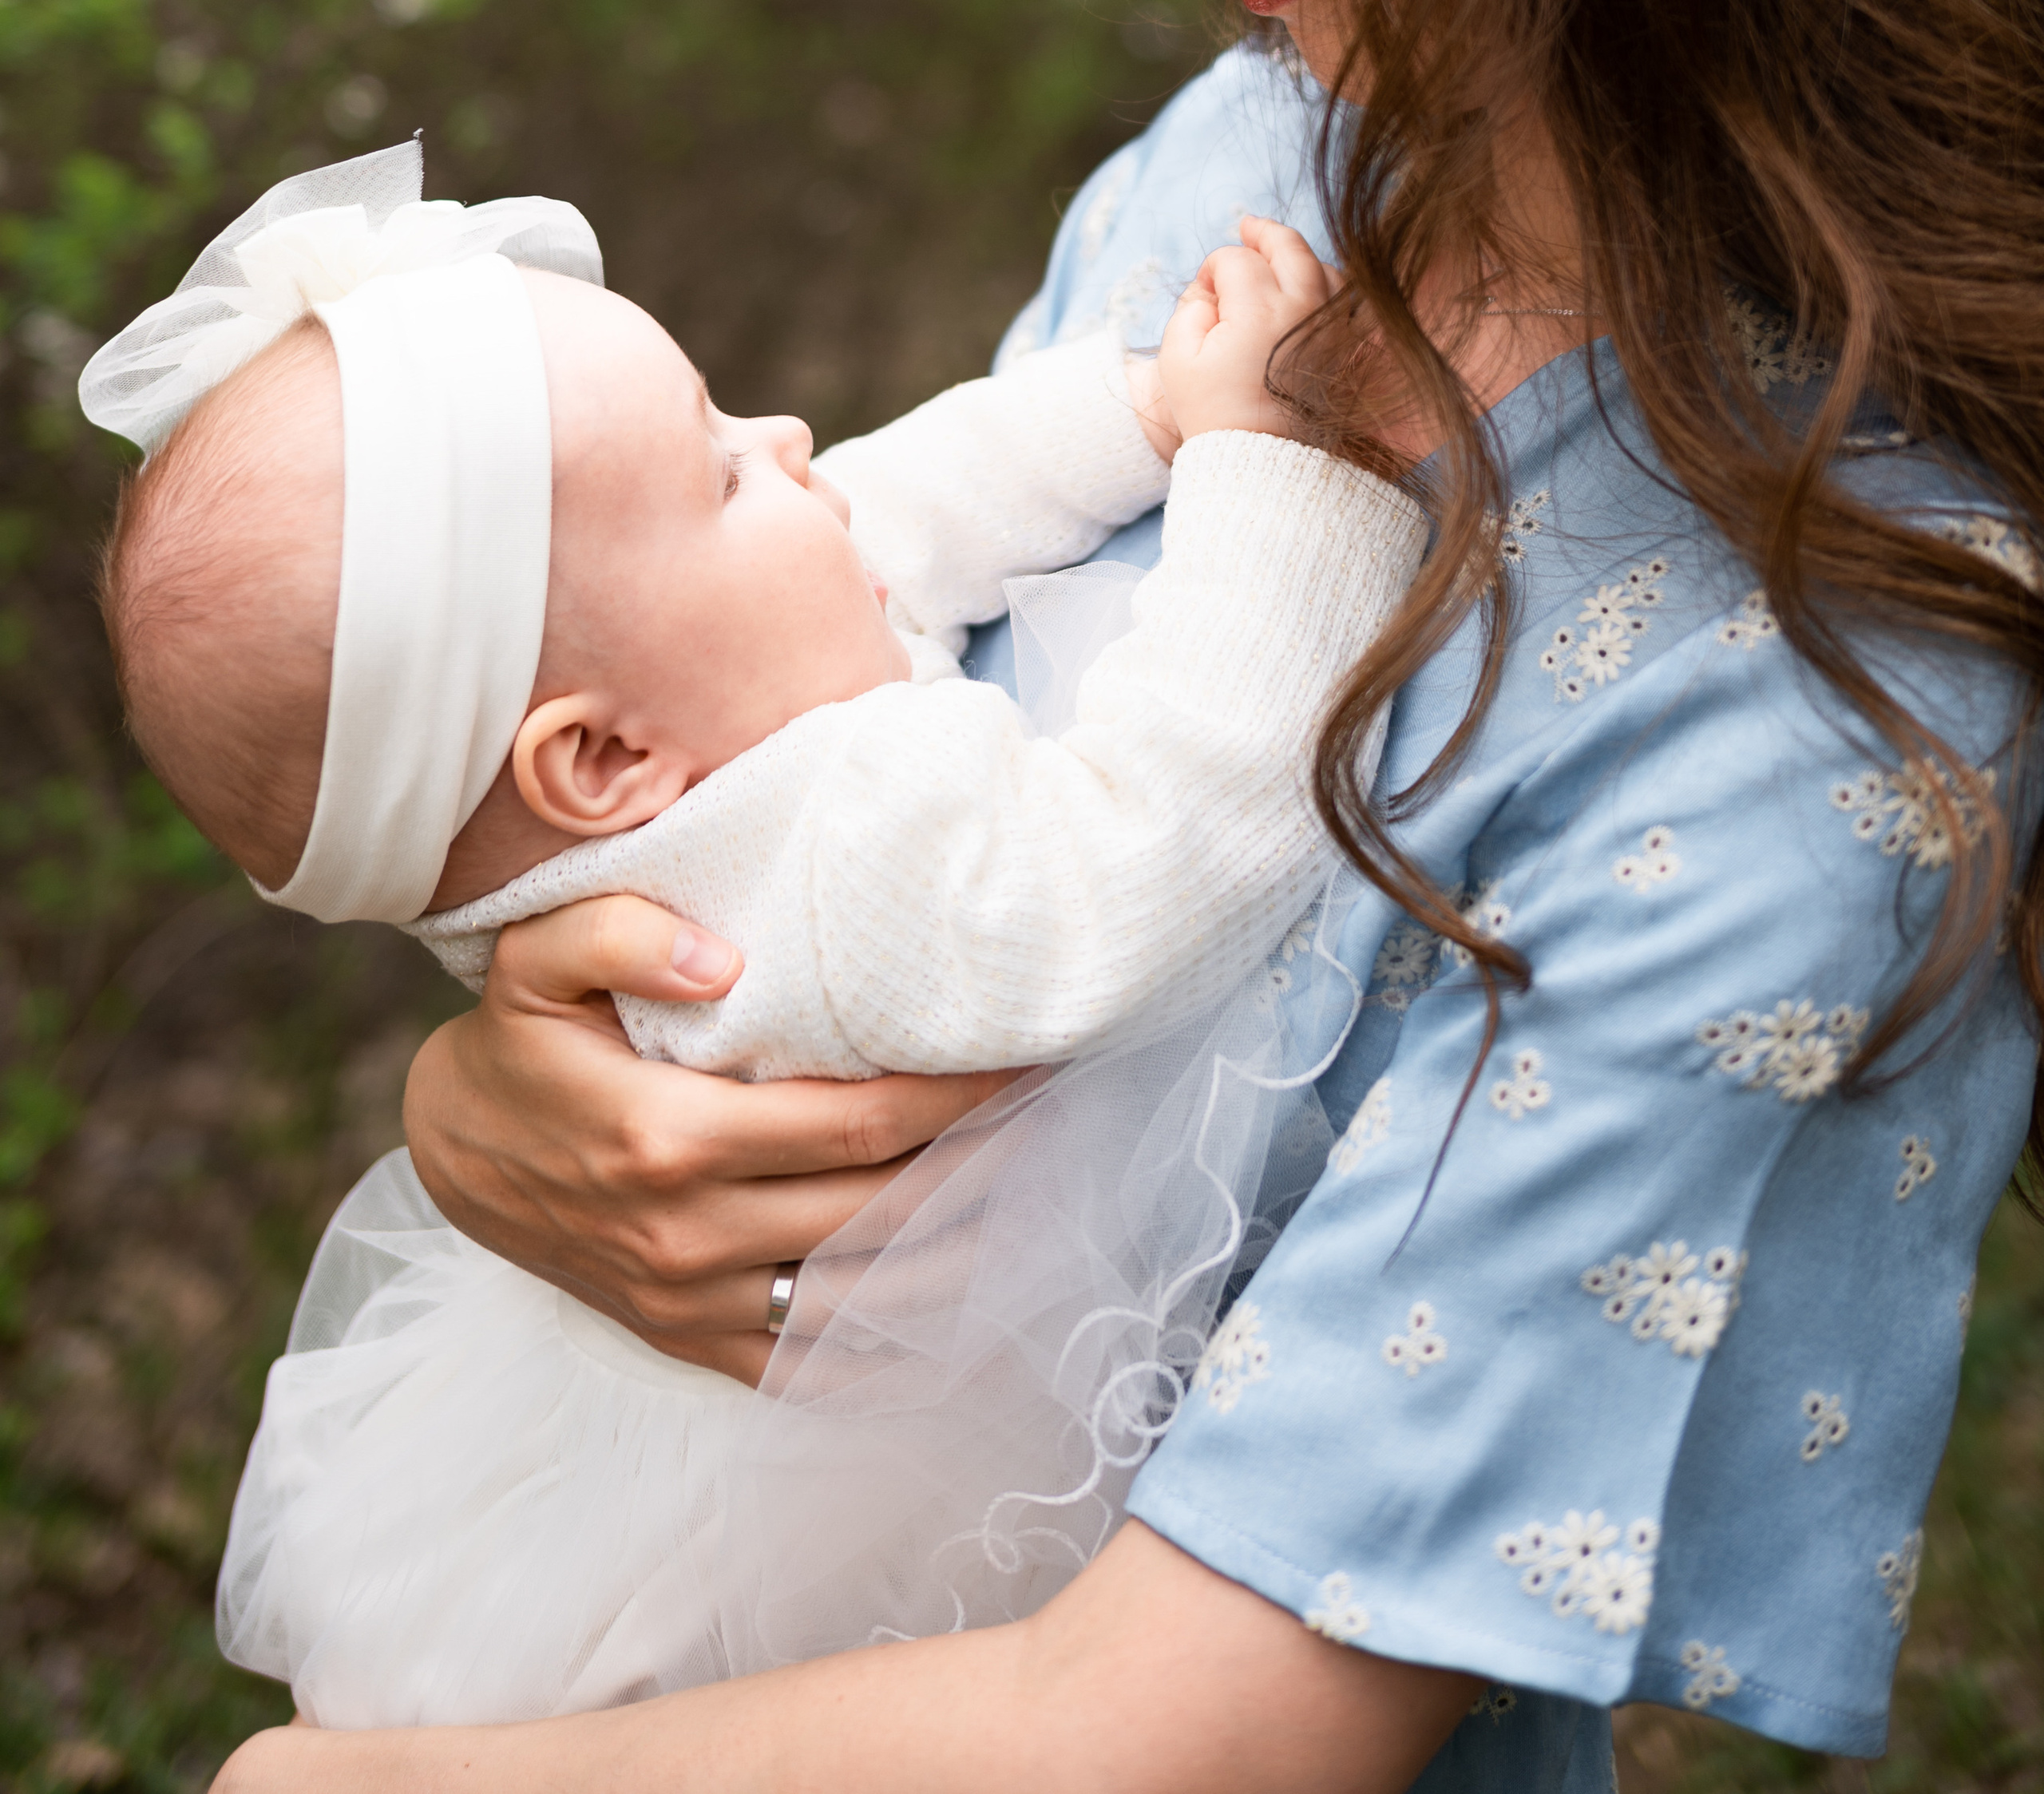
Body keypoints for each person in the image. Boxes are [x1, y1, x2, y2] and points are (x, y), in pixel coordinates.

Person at [212, 0, 2044, 1794]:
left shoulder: (1823, 699)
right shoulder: (1255, 159)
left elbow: (1189, 1716)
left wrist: (314, 1785)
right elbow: (827, 779)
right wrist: (524, 1091)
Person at [85, 161, 1422, 1721]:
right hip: (789, 1581)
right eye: (720, 468)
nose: (789, 440)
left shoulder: (674, 784)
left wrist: (1140, 409)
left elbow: (893, 509)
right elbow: (1155, 848)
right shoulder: (823, 884)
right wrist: (1278, 469)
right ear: (597, 757)